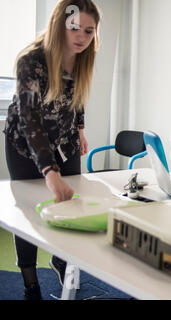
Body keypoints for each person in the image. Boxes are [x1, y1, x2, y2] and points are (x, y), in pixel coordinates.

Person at [3, 0, 101, 300]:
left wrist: (81, 130)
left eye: (89, 30)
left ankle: (61, 259)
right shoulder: (31, 61)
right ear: (59, 23)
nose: (81, 36)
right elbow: (30, 120)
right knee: (29, 214)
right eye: (75, 28)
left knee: (71, 204)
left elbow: (78, 96)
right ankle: (31, 283)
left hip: (65, 140)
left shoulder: (83, 57)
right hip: (25, 145)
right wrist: (49, 170)